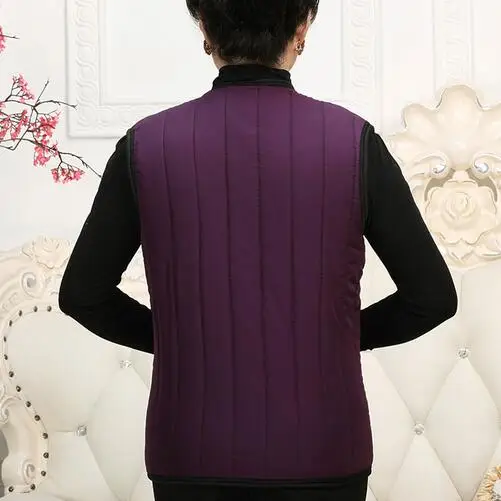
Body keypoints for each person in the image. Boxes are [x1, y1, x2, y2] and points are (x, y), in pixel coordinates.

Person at [58, 1, 458, 500]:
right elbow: (432, 298)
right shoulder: (353, 142)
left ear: (205, 29)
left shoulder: (146, 145)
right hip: (324, 451)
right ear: (301, 28)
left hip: (190, 454)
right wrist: (335, 338)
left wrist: (181, 340)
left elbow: (83, 295)